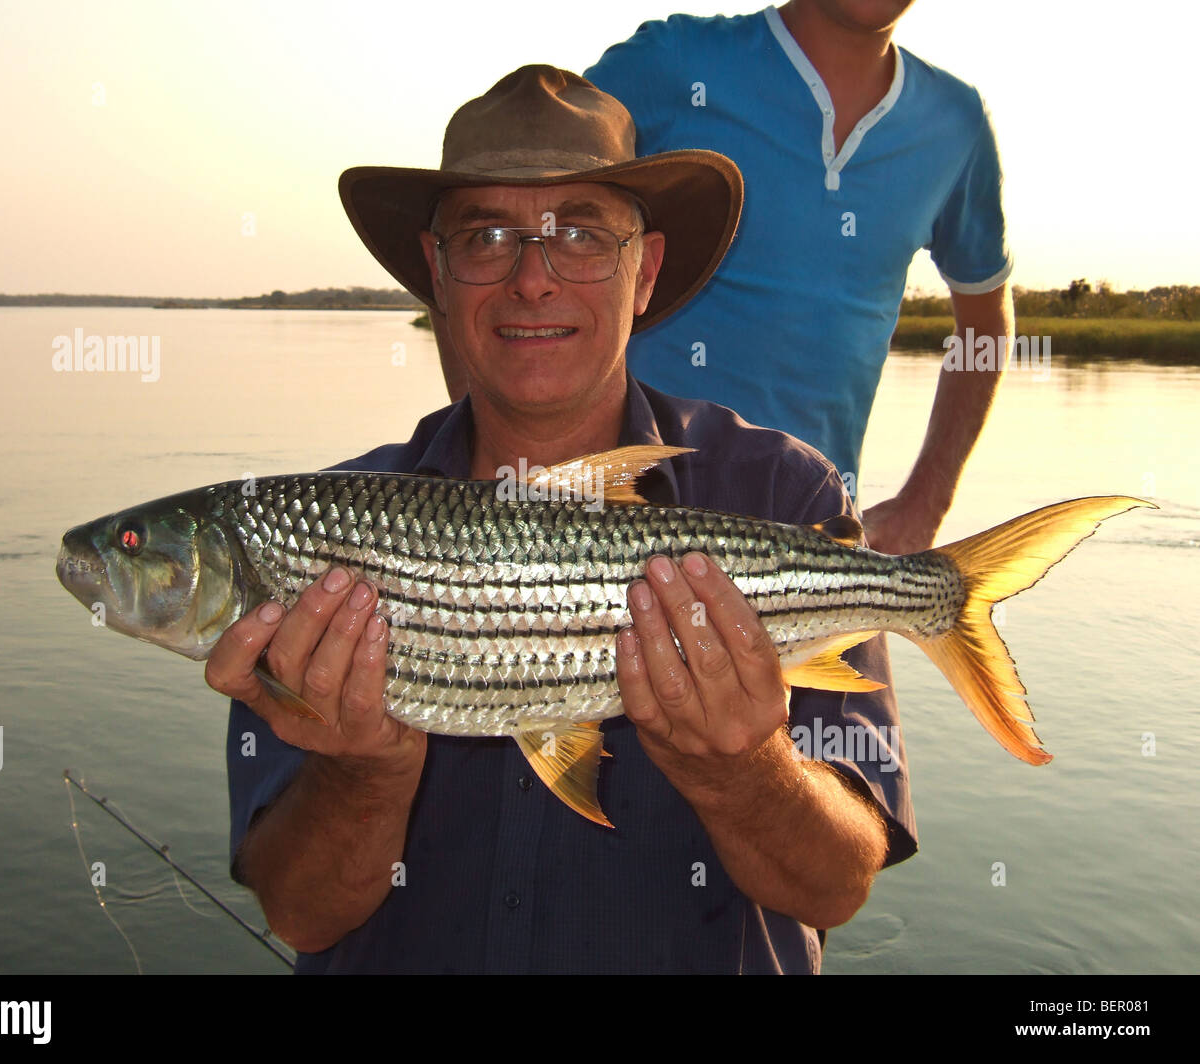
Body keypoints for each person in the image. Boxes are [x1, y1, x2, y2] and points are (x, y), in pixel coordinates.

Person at [207, 65, 916, 974]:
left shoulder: (788, 498)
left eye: (579, 234)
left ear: (646, 270)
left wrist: (742, 771)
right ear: (438, 273)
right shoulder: (322, 532)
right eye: (487, 237)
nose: (531, 280)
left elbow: (836, 889)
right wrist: (362, 771)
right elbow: (299, 915)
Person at [575, 1, 1015, 555]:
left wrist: (925, 504)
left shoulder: (955, 124)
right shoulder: (674, 61)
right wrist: (488, 453)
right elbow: (495, 214)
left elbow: (984, 325)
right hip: (615, 555)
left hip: (823, 557)